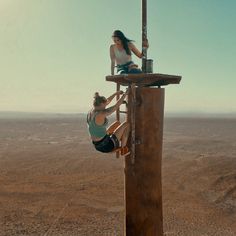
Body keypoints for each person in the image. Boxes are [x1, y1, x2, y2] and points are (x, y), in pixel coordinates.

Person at [87, 90, 130, 156]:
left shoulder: (91, 111)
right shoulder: (100, 114)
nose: (105, 107)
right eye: (104, 106)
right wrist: (125, 94)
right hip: (106, 145)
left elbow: (107, 101)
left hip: (97, 145)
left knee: (117, 123)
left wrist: (116, 93)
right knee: (126, 124)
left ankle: (120, 137)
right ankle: (123, 149)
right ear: (101, 104)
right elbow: (115, 106)